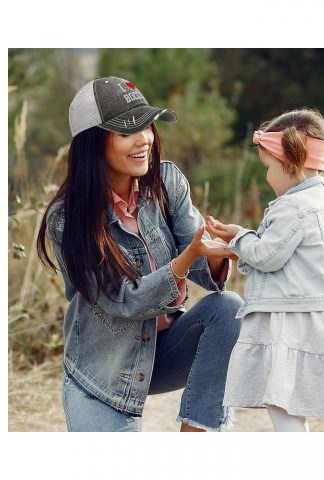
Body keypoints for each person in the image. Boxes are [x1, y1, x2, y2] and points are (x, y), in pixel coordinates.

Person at [37, 76, 242, 432]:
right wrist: (186, 258)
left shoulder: (166, 182)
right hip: (104, 373)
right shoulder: (67, 219)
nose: (144, 139)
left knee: (230, 311)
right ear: (92, 142)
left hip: (163, 350)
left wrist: (213, 252)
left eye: (146, 125)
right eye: (126, 131)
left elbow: (202, 268)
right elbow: (123, 301)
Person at [206, 108, 324, 432]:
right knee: (288, 401)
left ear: (291, 164)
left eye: (269, 168)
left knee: (281, 399)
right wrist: (241, 238)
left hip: (290, 318)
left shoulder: (294, 207)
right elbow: (279, 252)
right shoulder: (318, 202)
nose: (267, 177)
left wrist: (241, 238)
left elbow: (267, 256)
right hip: (306, 311)